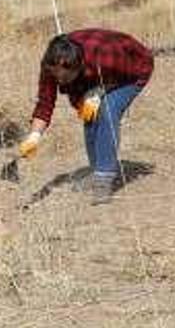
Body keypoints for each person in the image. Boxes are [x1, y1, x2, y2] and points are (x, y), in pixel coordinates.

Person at [18, 29, 154, 205]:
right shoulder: (50, 67)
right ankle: (96, 170)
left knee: (106, 110)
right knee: (89, 113)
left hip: (134, 69)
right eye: (56, 75)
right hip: (97, 78)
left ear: (79, 67)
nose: (60, 80)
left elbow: (134, 72)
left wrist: (101, 90)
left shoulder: (104, 58)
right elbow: (45, 104)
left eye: (66, 77)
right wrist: (34, 137)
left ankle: (104, 179)